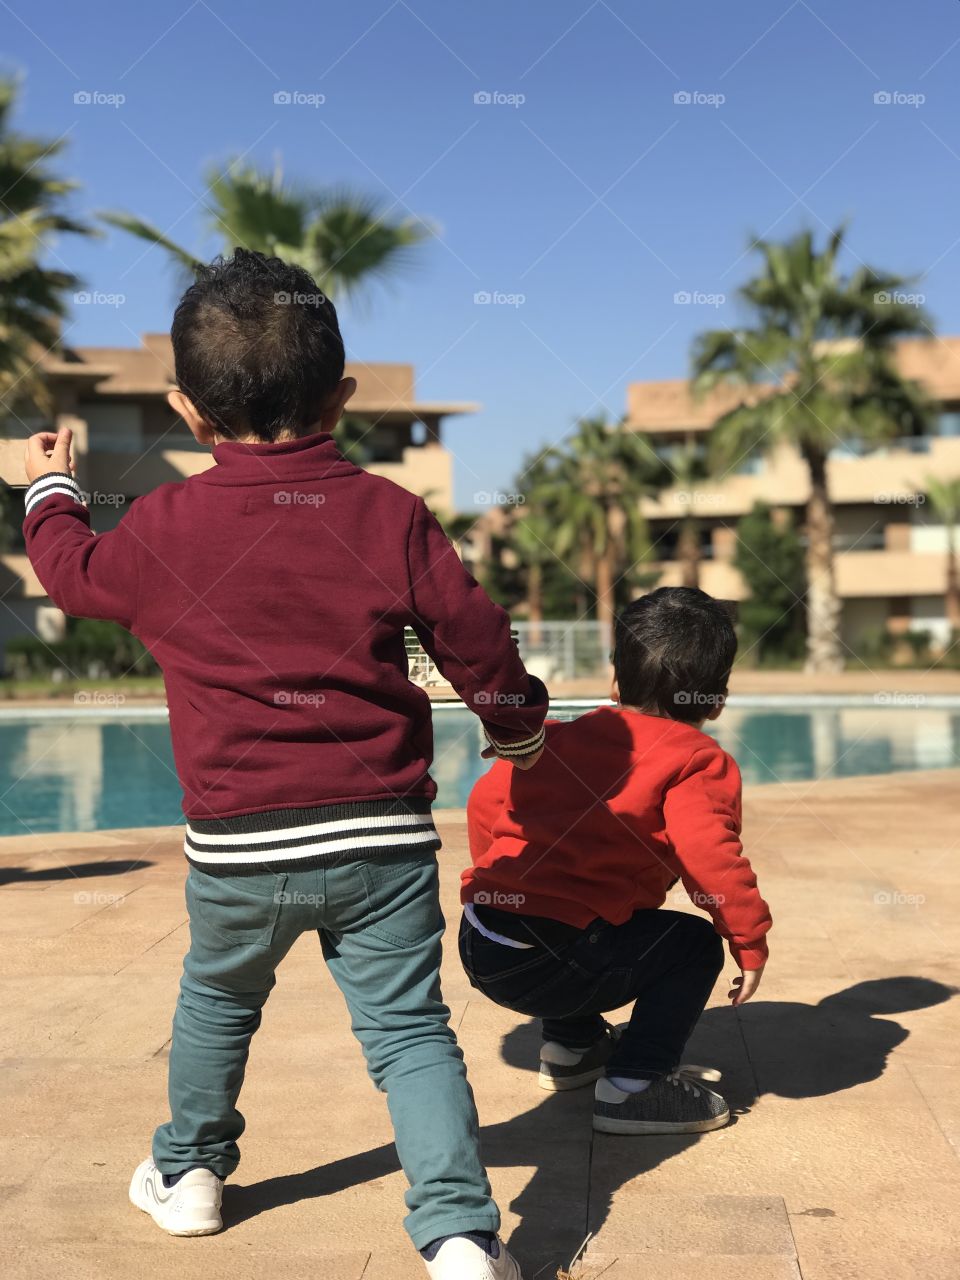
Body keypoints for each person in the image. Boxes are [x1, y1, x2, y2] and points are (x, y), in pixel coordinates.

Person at [22, 248, 548, 1280]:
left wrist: (49, 483)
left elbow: (71, 574)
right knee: (407, 1031)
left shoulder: (168, 525)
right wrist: (516, 726)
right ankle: (457, 1234)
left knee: (218, 1002)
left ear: (187, 409)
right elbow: (475, 638)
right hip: (382, 836)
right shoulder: (388, 513)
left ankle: (191, 1175)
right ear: (341, 397)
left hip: (237, 845)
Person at [460, 586, 771, 1135]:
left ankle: (572, 1048)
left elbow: (486, 804)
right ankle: (634, 1087)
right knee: (690, 945)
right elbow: (710, 860)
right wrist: (747, 938)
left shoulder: (550, 741)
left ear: (614, 680)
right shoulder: (695, 760)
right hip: (554, 957)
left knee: (587, 917)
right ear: (717, 699)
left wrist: (504, 882)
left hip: (483, 939)